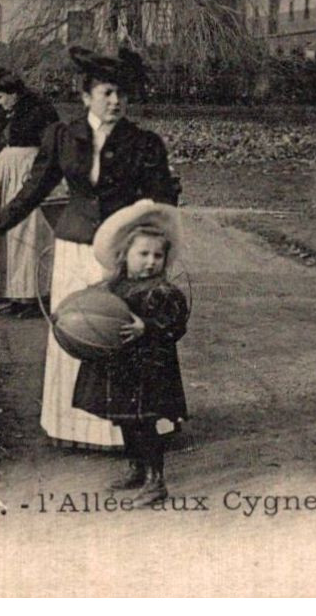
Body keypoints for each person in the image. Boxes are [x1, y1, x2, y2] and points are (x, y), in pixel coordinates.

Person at [0, 46, 180, 449]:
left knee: (122, 329)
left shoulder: (145, 143)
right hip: (74, 247)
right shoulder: (63, 137)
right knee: (76, 327)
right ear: (86, 96)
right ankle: (73, 428)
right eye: (106, 92)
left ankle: (132, 432)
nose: (115, 101)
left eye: (122, 94)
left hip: (125, 253)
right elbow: (36, 186)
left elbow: (162, 203)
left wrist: (152, 247)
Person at [73, 201, 190, 504]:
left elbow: (176, 325)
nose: (151, 262)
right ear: (124, 255)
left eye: (158, 256)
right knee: (126, 420)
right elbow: (100, 313)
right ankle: (136, 467)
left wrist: (147, 328)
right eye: (143, 254)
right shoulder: (115, 286)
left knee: (144, 422)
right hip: (120, 369)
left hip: (148, 370)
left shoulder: (163, 292)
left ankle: (156, 480)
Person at [0, 68, 59, 315]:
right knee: (8, 236)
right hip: (5, 175)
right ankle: (13, 292)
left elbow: (50, 146)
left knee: (27, 231)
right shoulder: (6, 112)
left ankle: (32, 294)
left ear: (13, 93)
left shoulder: (39, 109)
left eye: (1, 97)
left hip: (25, 173)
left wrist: (31, 170)